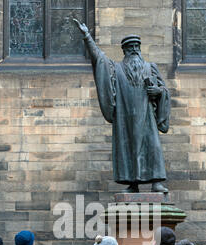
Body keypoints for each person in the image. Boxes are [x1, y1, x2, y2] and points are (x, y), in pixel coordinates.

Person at [73, 19, 171, 194]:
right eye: (130, 48)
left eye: (136, 47)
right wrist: (87, 36)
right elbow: (99, 59)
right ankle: (133, 185)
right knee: (127, 148)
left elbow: (164, 90)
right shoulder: (115, 69)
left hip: (146, 116)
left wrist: (158, 91)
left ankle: (156, 182)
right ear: (124, 50)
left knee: (152, 146)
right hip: (125, 117)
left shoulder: (150, 68)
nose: (134, 51)